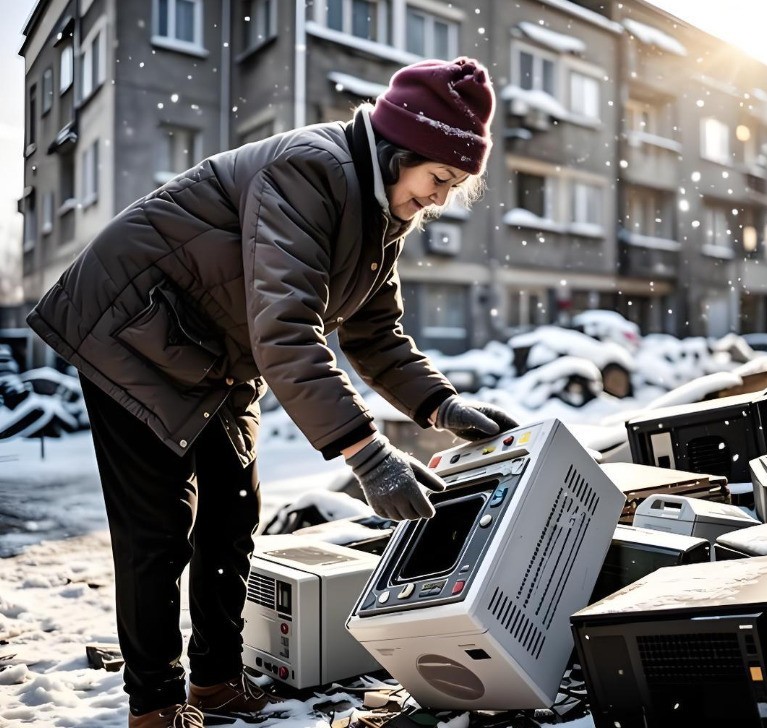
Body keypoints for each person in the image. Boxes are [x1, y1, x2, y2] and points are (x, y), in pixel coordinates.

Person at [27, 57, 518, 728]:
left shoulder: (381, 216)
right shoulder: (310, 170)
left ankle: (216, 681)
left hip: (215, 350)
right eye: (438, 178)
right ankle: (156, 703)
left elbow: (376, 335)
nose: (439, 197)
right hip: (129, 328)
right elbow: (287, 329)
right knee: (159, 529)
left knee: (231, 517)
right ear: (401, 152)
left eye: (455, 185)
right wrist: (367, 456)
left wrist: (440, 406)